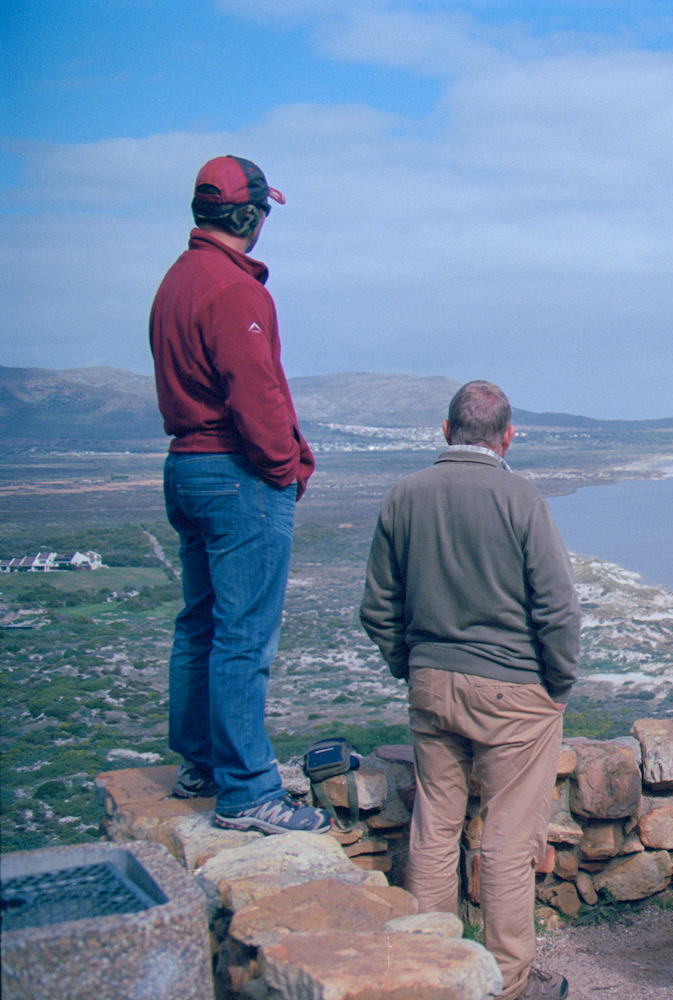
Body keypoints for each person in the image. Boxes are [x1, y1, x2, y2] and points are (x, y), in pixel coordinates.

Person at [361, 380, 578, 1000]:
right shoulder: (521, 497)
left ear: (445, 430)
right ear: (507, 436)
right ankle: (506, 987)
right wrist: (557, 685)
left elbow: (377, 608)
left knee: (434, 832)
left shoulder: (404, 495)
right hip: (515, 696)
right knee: (508, 847)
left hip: (432, 686)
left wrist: (414, 665)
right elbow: (558, 609)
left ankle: (434, 978)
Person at [150, 155, 329, 835]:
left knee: (200, 624)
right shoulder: (233, 290)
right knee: (244, 636)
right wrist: (285, 465)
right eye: (264, 211)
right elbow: (254, 391)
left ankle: (202, 763)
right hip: (234, 474)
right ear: (248, 214)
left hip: (187, 467)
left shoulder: (177, 280)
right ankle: (249, 792)